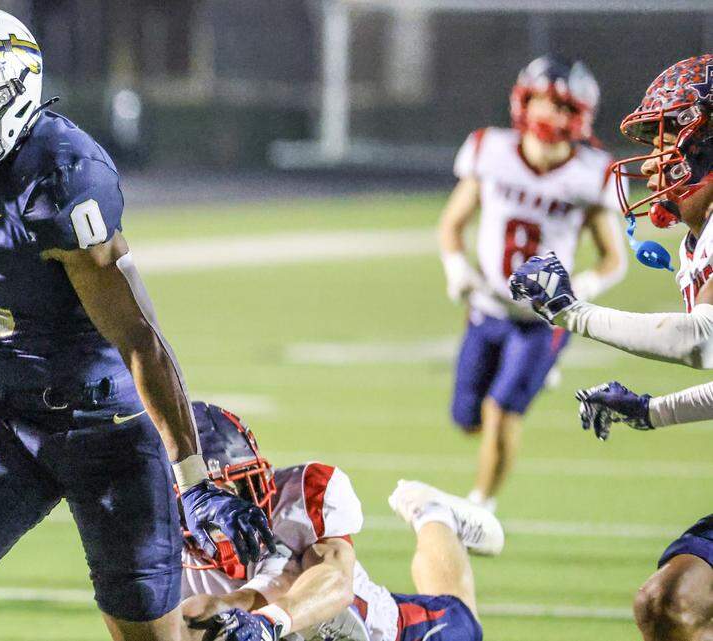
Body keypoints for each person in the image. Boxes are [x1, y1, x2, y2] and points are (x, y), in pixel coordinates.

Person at [0, 6, 272, 640]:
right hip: (10, 415)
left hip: (106, 427)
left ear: (8, 106)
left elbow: (138, 339)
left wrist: (193, 478)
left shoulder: (61, 177)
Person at [509, 53, 713, 641]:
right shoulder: (698, 241)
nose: (653, 161)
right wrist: (652, 412)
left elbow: (701, 342)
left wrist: (572, 313)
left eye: (671, 137)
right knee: (666, 606)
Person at [437, 55, 626, 512]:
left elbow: (614, 260)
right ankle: (537, 379)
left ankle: (479, 507)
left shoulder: (591, 171)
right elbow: (451, 224)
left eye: (563, 107)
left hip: (543, 322)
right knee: (467, 418)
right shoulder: (491, 149)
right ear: (524, 102)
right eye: (544, 104)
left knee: (501, 412)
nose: (551, 117)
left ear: (580, 115)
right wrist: (456, 268)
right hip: (487, 308)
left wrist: (576, 291)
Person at [179, 402, 503, 641]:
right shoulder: (155, 544)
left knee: (463, 620)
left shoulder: (299, 496)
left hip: (391, 633)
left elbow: (334, 582)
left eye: (236, 486)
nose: (229, 506)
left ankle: (433, 514)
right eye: (212, 493)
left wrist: (264, 622)